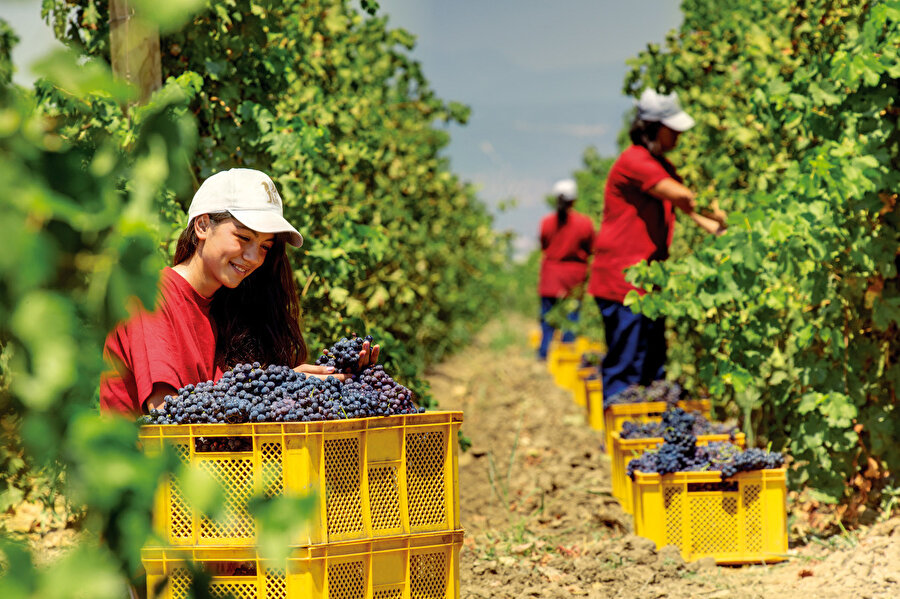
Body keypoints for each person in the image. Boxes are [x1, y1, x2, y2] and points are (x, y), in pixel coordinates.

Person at [100, 168, 378, 415]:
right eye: (243, 237)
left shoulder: (231, 306)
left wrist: (339, 379)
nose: (254, 258)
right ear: (203, 225)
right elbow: (167, 411)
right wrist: (282, 384)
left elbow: (247, 408)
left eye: (265, 247)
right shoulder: (151, 298)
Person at [587, 89, 725, 400]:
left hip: (646, 282)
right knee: (627, 366)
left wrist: (718, 228)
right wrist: (721, 213)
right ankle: (621, 433)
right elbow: (684, 197)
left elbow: (689, 206)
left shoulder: (659, 164)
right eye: (671, 127)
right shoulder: (636, 161)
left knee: (651, 367)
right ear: (652, 127)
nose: (677, 134)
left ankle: (644, 438)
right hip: (623, 282)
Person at [537, 179, 595, 360]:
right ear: (574, 200)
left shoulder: (546, 222)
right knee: (571, 318)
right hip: (574, 278)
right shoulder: (584, 223)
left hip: (550, 277)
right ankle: (567, 358)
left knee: (548, 318)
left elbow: (544, 245)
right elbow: (591, 247)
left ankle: (544, 353)